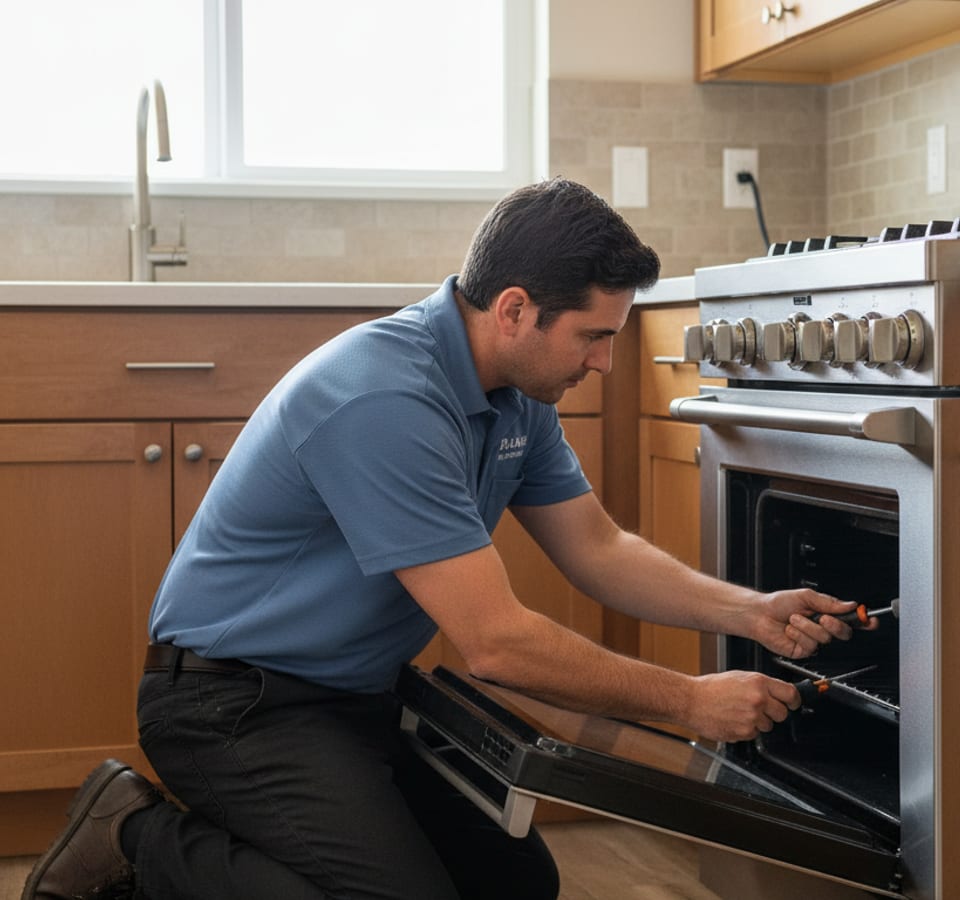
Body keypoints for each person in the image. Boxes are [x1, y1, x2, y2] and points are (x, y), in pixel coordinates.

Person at [23, 177, 859, 900]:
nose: (605, 363)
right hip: (230, 704)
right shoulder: (382, 398)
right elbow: (496, 644)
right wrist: (689, 703)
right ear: (515, 310)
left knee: (518, 884)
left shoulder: (518, 394)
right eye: (594, 337)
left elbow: (599, 549)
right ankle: (131, 835)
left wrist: (749, 612)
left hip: (357, 697)